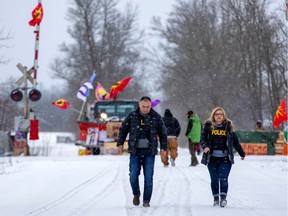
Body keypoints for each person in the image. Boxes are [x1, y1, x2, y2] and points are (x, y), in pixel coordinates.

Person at [117, 96, 167, 207]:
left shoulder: (156, 117)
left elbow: (163, 134)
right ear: (139, 105)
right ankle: (136, 193)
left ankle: (146, 201)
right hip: (135, 151)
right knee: (133, 176)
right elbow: (123, 130)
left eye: (148, 107)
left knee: (148, 177)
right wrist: (120, 143)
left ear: (151, 106)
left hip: (150, 152)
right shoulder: (132, 116)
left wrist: (164, 147)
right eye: (143, 106)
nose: (145, 109)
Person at [200, 107, 245, 208]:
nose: (219, 116)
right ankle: (216, 198)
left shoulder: (228, 127)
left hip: (225, 158)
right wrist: (205, 147)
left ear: (223, 116)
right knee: (214, 179)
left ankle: (223, 198)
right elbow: (202, 139)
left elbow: (235, 142)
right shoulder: (208, 126)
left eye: (221, 114)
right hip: (211, 159)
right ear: (213, 116)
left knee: (223, 178)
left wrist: (242, 153)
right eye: (217, 114)